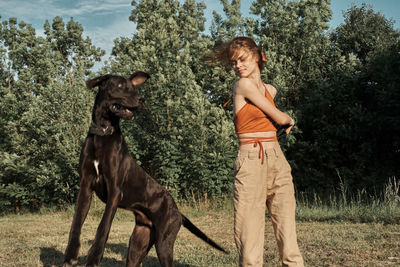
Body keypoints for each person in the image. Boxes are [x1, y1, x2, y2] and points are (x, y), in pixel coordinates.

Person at [210, 37, 304, 267]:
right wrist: (288, 119)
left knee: (287, 231)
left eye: (242, 59)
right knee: (249, 234)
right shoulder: (242, 86)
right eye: (233, 62)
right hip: (251, 160)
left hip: (277, 158)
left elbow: (272, 115)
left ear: (256, 56)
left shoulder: (270, 89)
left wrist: (282, 120)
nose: (237, 66)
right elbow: (279, 117)